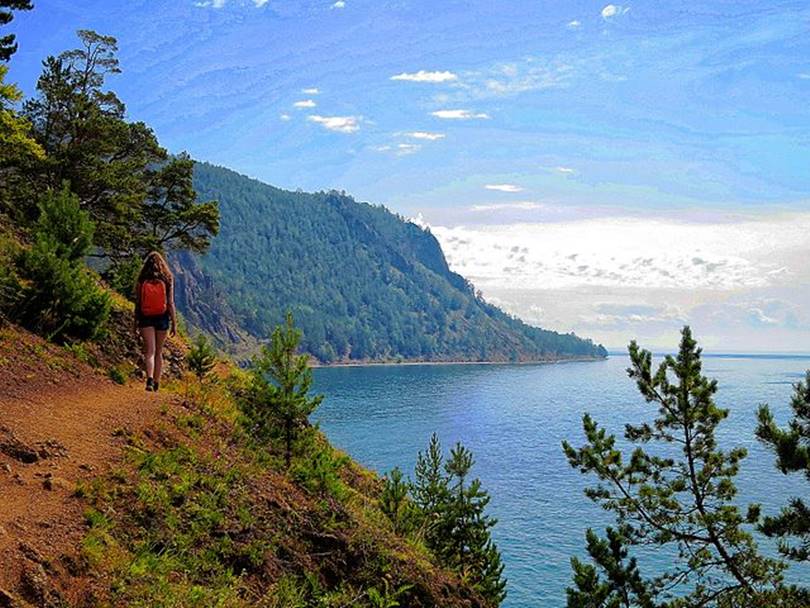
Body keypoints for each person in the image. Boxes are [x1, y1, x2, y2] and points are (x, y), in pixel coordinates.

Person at [133, 251, 177, 392]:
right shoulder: (168, 278)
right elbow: (170, 303)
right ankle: (157, 383)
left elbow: (138, 302)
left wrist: (135, 322)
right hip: (162, 317)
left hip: (145, 316)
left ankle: (149, 380)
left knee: (149, 351)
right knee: (159, 352)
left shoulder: (142, 278)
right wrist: (174, 323)